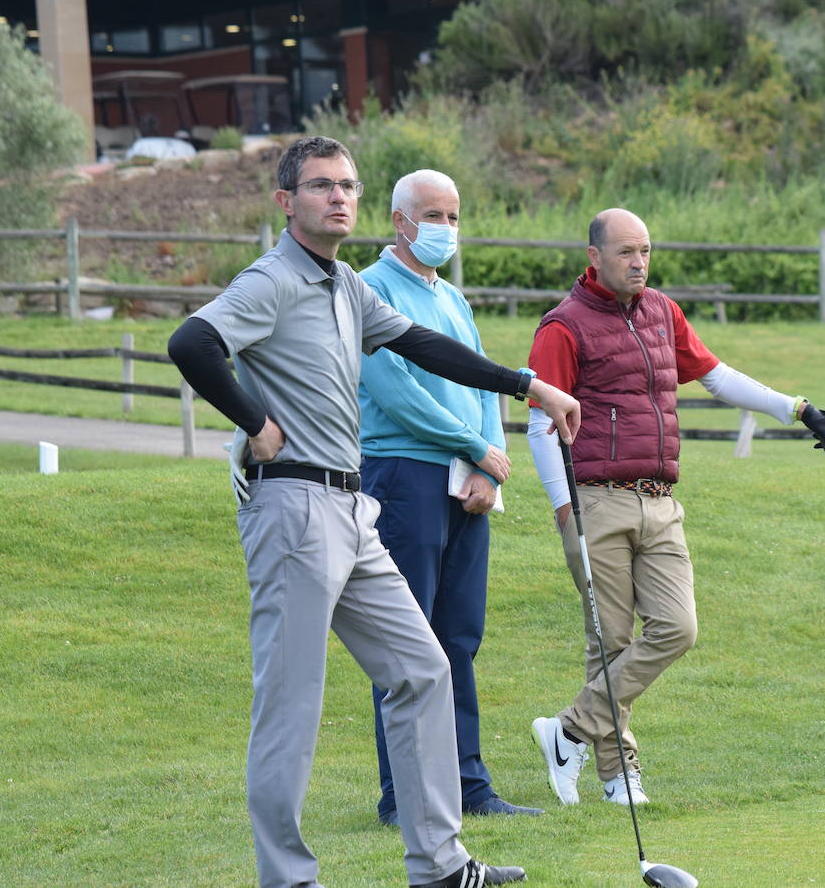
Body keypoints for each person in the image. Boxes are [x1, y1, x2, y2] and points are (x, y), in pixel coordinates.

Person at [167, 136, 580, 888]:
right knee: (292, 706)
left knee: (422, 668)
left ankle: (441, 864)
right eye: (321, 185)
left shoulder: (347, 285)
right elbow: (192, 342)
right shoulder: (272, 280)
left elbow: (424, 346)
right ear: (287, 202)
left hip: (353, 507)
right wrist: (256, 424)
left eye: (348, 185)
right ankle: (288, 879)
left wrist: (529, 386)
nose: (339, 197)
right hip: (292, 507)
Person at [525, 208, 825, 806]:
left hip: (660, 500)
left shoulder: (662, 311)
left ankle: (567, 731)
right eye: (625, 252)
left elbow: (717, 377)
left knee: (678, 628)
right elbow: (541, 422)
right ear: (594, 257)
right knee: (611, 643)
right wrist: (562, 507)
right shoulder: (563, 327)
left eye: (645, 250)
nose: (639, 262)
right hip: (595, 499)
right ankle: (620, 778)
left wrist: (796, 408)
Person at [358, 169, 542, 826]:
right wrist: (472, 443)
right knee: (405, 644)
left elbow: (487, 383)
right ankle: (402, 796)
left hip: (466, 481)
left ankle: (468, 787)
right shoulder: (370, 290)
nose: (445, 228)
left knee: (458, 638)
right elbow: (394, 390)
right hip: (402, 476)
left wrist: (490, 464)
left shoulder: (454, 299)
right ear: (399, 220)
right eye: (433, 215)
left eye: (454, 216)